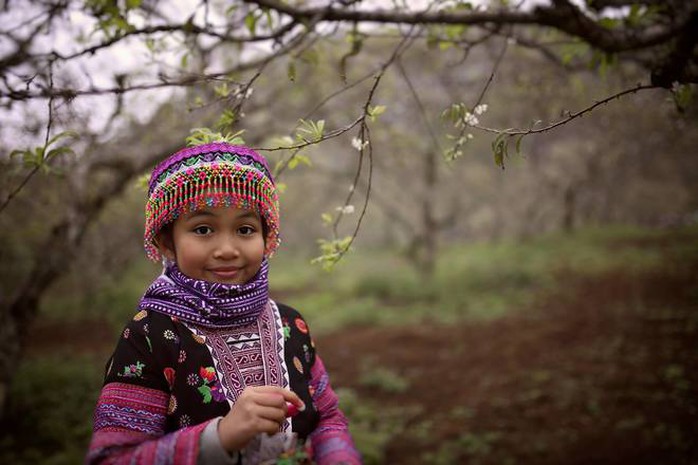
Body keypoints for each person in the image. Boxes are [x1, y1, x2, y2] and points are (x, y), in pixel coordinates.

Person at [86, 142, 361, 465]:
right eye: (203, 229)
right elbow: (111, 458)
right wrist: (221, 436)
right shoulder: (150, 334)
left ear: (266, 236)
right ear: (166, 240)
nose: (227, 249)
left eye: (245, 229)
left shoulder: (290, 324)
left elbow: (327, 420)